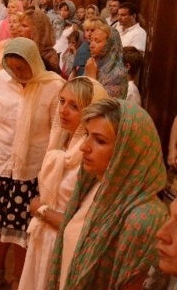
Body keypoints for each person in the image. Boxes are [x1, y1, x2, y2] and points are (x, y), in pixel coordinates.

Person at [46, 99, 168, 290]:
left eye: (100, 140)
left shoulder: (145, 218)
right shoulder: (94, 186)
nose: (84, 147)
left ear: (127, 151)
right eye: (87, 135)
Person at [0, 37, 64, 290]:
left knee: (23, 230)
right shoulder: (2, 79)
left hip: (31, 169)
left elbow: (58, 131)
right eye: (12, 68)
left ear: (34, 62)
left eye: (22, 69)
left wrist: (49, 172)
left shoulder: (54, 86)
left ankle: (18, 279)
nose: (17, 74)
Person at [18, 77, 108, 290]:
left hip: (64, 243)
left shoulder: (90, 158)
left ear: (91, 112)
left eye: (74, 106)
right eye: (62, 101)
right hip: (44, 239)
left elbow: (85, 225)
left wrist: (40, 210)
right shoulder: (61, 142)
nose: (63, 110)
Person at [84, 23, 128, 99]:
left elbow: (102, 104)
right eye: (91, 40)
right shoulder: (92, 63)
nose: (91, 45)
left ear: (110, 45)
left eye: (97, 41)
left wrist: (91, 77)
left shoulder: (119, 74)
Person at [18, 9, 61, 75]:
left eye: (24, 26)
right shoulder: (19, 50)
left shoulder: (50, 57)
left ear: (37, 30)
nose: (19, 29)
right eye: (20, 25)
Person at [53, 0, 81, 69]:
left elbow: (75, 41)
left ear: (71, 11)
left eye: (65, 10)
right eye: (61, 10)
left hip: (65, 52)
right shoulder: (57, 22)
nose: (62, 13)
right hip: (54, 50)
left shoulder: (75, 25)